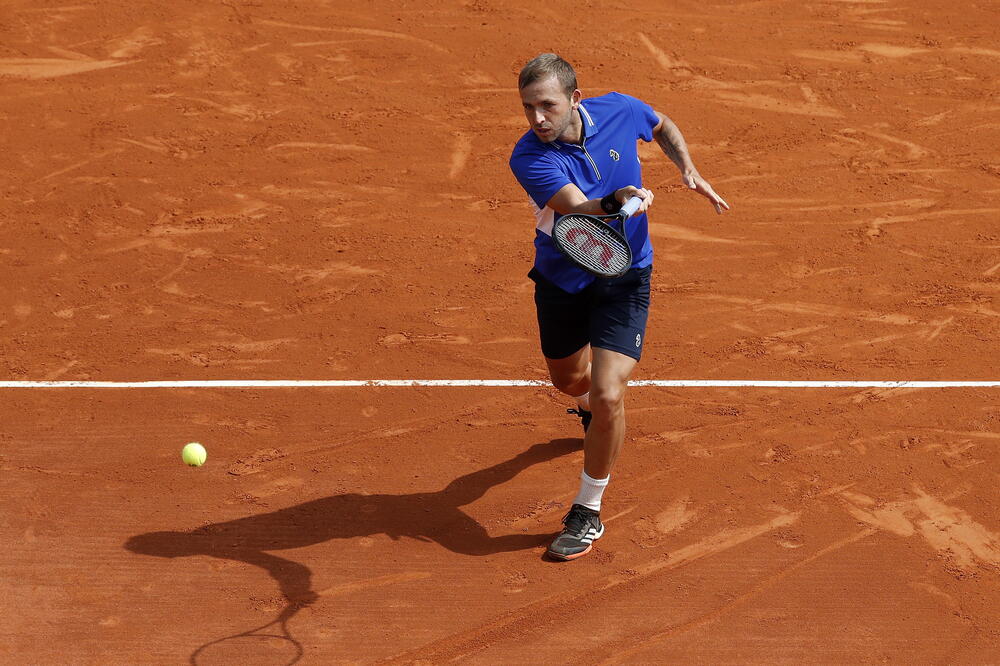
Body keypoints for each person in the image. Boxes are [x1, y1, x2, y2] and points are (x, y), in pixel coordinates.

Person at [508, 53, 730, 561]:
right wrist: (617, 201)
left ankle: (587, 509)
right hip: (563, 278)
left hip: (626, 275)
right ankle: (589, 409)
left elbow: (661, 124)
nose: (537, 119)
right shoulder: (529, 157)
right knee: (571, 383)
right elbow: (578, 209)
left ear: (575, 99)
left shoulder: (621, 110)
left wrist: (687, 168)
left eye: (547, 106)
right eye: (528, 107)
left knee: (609, 394)